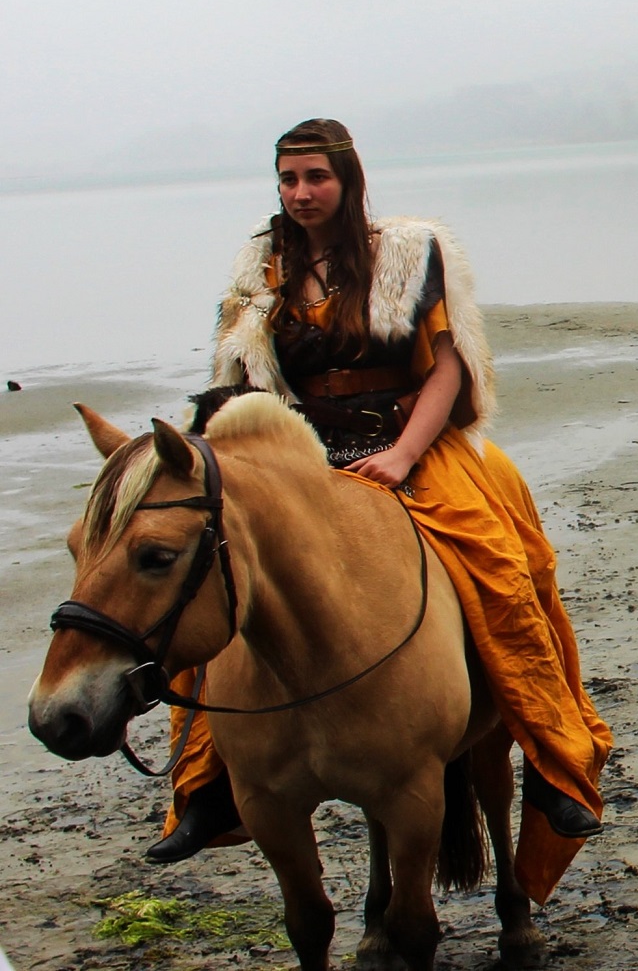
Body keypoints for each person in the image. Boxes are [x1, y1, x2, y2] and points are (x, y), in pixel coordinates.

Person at [153, 119, 611, 907]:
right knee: (212, 576)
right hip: (296, 453)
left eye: (315, 178)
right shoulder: (260, 267)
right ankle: (207, 784)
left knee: (502, 569)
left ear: (347, 180)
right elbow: (239, 385)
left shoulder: (405, 252)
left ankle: (551, 752)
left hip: (406, 441)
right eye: (288, 178)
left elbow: (446, 368)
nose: (300, 193)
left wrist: (402, 453)